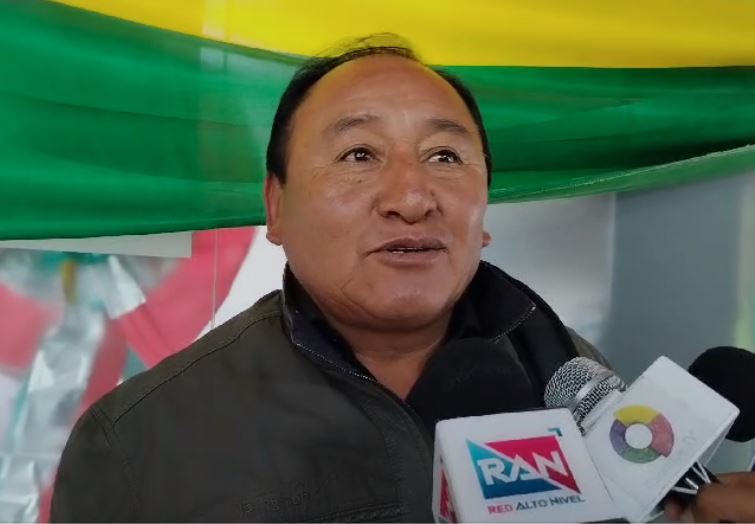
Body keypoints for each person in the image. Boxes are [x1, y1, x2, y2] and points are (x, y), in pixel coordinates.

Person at [50, 39, 627, 522]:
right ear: (277, 206)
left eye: (445, 156)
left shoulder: (569, 375)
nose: (412, 199)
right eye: (359, 155)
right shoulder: (139, 440)